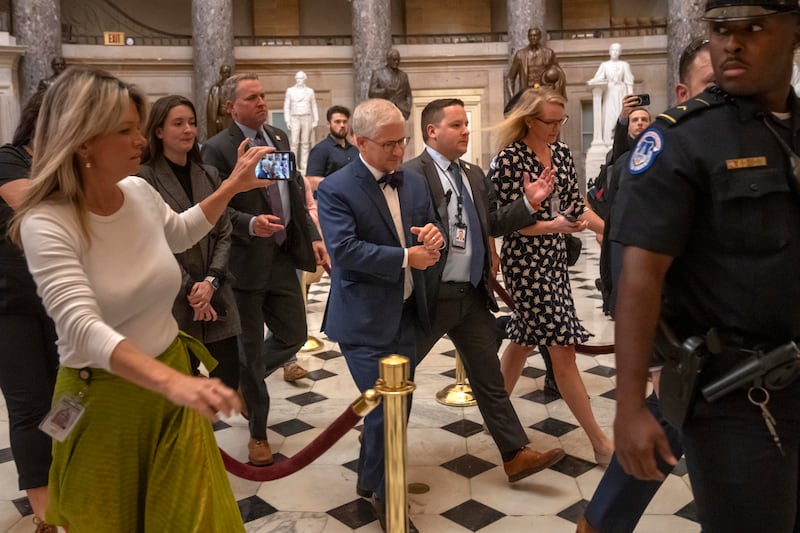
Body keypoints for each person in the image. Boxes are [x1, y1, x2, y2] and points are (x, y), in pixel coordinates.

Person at [8, 66, 271, 532]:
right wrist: (174, 384)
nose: (140, 141)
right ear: (84, 139)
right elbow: (81, 327)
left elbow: (182, 230)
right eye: (126, 130)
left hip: (170, 375)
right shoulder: (46, 222)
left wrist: (232, 186)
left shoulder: (136, 191)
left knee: (195, 519)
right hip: (102, 398)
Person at [612, 1, 800, 531]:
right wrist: (630, 406)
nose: (732, 44)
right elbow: (639, 275)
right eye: (720, 30)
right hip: (738, 395)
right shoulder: (681, 140)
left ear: (794, 33)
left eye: (754, 28)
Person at [577, 37, 714, 533]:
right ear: (684, 92)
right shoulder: (660, 159)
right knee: (629, 485)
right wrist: (646, 372)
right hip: (694, 358)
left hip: (771, 360)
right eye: (711, 85)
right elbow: (637, 271)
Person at [405, 98, 566, 483]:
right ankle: (376, 460)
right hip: (431, 297)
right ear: (432, 131)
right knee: (399, 376)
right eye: (457, 125)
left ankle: (515, 455)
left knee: (489, 379)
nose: (466, 131)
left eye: (466, 124)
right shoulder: (412, 175)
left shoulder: (474, 174)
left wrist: (529, 202)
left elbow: (491, 222)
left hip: (471, 296)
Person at [317, 98, 444, 532]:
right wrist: (408, 256)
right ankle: (390, 505)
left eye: (402, 141)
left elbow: (431, 227)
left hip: (406, 312)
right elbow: (345, 252)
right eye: (389, 144)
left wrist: (433, 237)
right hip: (363, 320)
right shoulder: (335, 188)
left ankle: (369, 480)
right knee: (385, 412)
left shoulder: (411, 181)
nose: (398, 151)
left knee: (398, 408)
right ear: (359, 142)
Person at [202, 73, 326, 465]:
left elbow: (290, 193)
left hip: (282, 256)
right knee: (251, 350)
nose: (261, 102)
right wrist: (249, 225)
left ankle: (242, 381)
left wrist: (313, 235)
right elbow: (216, 205)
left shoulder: (278, 137)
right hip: (243, 264)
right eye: (251, 97)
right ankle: (258, 432)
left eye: (262, 96)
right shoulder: (217, 149)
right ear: (230, 107)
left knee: (293, 336)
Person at [491, 88, 613, 465]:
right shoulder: (509, 160)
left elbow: (577, 207)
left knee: (522, 342)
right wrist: (555, 225)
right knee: (563, 351)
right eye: (551, 121)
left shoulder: (559, 153)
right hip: (525, 264)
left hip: (555, 259)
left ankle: (494, 416)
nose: (559, 127)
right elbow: (506, 224)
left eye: (562, 119)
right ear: (530, 120)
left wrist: (609, 230)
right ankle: (600, 443)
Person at [138, 94, 242, 391]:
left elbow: (223, 231)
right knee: (183, 386)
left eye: (192, 123)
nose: (188, 130)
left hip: (216, 290)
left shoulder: (208, 174)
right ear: (158, 130)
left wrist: (210, 282)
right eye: (178, 123)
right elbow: (153, 240)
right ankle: (195, 439)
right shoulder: (143, 178)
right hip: (174, 298)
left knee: (227, 381)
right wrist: (192, 290)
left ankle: (201, 437)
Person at [0, 91, 58, 533]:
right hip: (10, 306)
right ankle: (44, 513)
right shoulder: (8, 159)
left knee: (69, 398)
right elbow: (29, 203)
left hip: (56, 300)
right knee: (29, 406)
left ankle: (66, 482)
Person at [588, 43, 635, 146]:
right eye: (613, 50)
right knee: (609, 116)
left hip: (621, 93)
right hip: (609, 92)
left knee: (621, 114)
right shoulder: (604, 65)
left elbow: (629, 81)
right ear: (610, 51)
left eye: (617, 50)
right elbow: (598, 78)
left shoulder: (624, 65)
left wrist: (630, 97)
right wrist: (592, 81)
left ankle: (622, 140)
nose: (615, 52)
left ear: (620, 52)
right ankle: (609, 141)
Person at [305, 105, 359, 191]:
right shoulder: (320, 149)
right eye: (337, 122)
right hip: (331, 201)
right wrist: (342, 185)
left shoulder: (355, 150)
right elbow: (312, 181)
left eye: (345, 122)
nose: (342, 125)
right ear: (328, 124)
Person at [506, 27, 566, 101]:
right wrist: (512, 98)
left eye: (535, 35)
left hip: (544, 92)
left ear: (540, 37)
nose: (532, 38)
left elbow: (559, 73)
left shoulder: (549, 53)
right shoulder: (520, 55)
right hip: (528, 92)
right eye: (530, 36)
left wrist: (556, 89)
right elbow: (510, 78)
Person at [283, 71, 319, 172]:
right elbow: (287, 106)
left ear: (305, 79)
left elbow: (313, 105)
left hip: (307, 117)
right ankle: (293, 165)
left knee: (305, 143)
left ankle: (304, 166)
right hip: (294, 117)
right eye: (298, 78)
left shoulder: (310, 91)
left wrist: (316, 119)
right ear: (295, 79)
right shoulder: (290, 91)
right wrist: (287, 120)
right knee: (294, 142)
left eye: (301, 78)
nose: (299, 80)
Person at [368, 49, 413, 120]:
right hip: (384, 110)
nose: (397, 62)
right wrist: (385, 90)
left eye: (398, 60)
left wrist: (408, 107)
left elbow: (408, 95)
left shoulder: (403, 75)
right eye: (394, 60)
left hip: (401, 110)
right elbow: (371, 92)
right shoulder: (378, 73)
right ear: (388, 60)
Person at [206, 64, 232, 139]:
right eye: (224, 72)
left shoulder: (234, 88)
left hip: (232, 118)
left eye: (228, 72)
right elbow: (212, 108)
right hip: (221, 119)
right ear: (221, 73)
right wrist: (216, 119)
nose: (226, 74)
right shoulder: (216, 88)